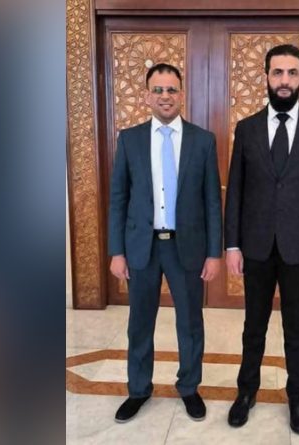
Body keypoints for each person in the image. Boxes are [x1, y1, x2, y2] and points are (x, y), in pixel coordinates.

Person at [224, 44, 299, 434]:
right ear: (267, 76)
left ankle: (297, 396)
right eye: (278, 72)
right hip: (256, 246)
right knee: (253, 326)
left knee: (296, 328)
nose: (285, 80)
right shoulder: (247, 129)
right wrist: (232, 245)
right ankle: (246, 392)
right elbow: (236, 190)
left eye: (292, 72)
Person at [108, 63, 222, 423]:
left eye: (171, 89)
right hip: (141, 247)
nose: (165, 96)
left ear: (181, 94)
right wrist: (116, 251)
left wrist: (214, 253)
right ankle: (138, 389)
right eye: (157, 90)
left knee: (190, 322)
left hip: (186, 247)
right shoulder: (130, 139)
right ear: (147, 96)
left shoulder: (203, 140)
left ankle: (189, 387)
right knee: (140, 323)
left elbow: (212, 201)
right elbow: (118, 198)